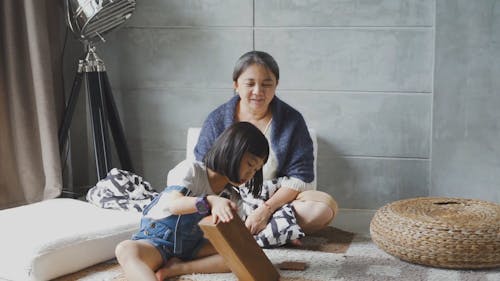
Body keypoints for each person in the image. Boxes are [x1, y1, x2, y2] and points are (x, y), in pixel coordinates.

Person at [194, 50, 338, 237]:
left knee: (325, 207)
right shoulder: (217, 120)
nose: (258, 92)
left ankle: (255, 231)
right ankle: (276, 234)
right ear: (236, 85)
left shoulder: (292, 121)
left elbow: (301, 177)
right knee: (192, 211)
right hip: (227, 201)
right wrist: (220, 203)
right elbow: (202, 169)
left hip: (276, 201)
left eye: (266, 84)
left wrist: (265, 210)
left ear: (276, 85)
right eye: (250, 83)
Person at [115, 122, 269, 281]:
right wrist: (210, 201)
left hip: (192, 248)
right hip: (157, 241)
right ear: (231, 151)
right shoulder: (192, 170)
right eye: (250, 164)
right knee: (126, 250)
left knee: (241, 255)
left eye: (256, 169)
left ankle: (177, 268)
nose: (251, 173)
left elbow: (234, 239)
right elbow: (174, 205)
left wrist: (245, 232)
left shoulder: (231, 197)